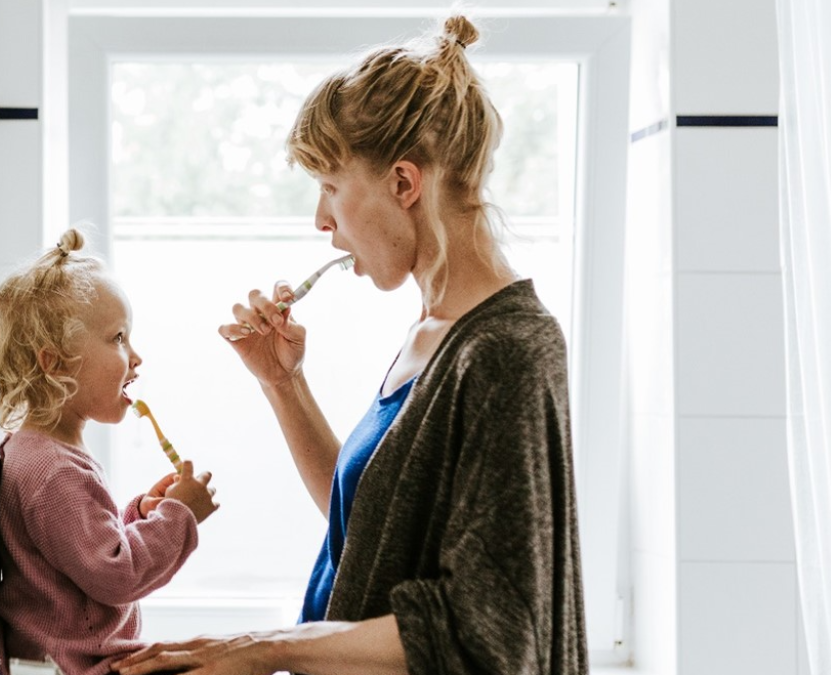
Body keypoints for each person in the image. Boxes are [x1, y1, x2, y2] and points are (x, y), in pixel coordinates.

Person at [113, 15, 586, 675]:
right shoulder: (433, 331)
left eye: (331, 187)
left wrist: (265, 648)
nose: (321, 220)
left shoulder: (508, 350)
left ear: (403, 183)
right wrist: (283, 383)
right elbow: (372, 528)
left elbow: (491, 630)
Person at [0, 228, 221, 675]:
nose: (136, 356)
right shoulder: (54, 470)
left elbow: (81, 558)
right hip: (80, 666)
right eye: (117, 338)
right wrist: (178, 517)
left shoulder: (40, 451)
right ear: (54, 363)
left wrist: (140, 514)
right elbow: (116, 576)